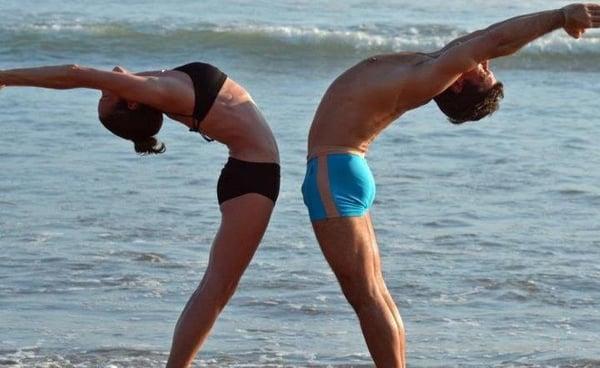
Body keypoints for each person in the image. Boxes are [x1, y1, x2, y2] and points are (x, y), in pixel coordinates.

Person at [301, 4, 599, 367]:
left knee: (366, 297)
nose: (486, 64)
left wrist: (560, 17)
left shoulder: (434, 73)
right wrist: (559, 16)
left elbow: (495, 42)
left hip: (334, 173)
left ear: (457, 83)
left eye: (484, 73)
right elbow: (485, 37)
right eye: (487, 68)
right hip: (342, 170)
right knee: (373, 294)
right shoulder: (432, 64)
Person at [0, 62, 280, 367]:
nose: (104, 90)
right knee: (217, 287)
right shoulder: (156, 90)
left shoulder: (152, 84)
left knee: (216, 286)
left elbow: (105, 74)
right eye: (106, 96)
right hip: (253, 177)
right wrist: (5, 78)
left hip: (249, 172)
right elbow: (75, 73)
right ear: (131, 100)